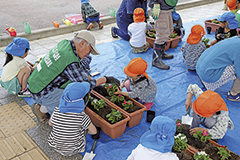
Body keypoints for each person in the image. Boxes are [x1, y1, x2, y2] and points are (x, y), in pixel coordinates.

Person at [28, 30, 119, 124]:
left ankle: (42, 108)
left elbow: (79, 71)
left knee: (82, 77)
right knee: (73, 99)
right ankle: (51, 116)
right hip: (42, 92)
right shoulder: (69, 59)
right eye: (90, 50)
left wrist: (92, 81)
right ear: (83, 43)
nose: (89, 53)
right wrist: (104, 79)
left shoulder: (65, 44)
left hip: (36, 83)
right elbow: (82, 85)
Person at [48, 82, 98, 156]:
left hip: (55, 146)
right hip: (75, 149)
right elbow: (94, 131)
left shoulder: (56, 110)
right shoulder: (82, 117)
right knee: (84, 129)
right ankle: (80, 149)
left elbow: (50, 123)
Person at [196, 36, 240, 101]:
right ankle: (234, 95)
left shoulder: (236, 39)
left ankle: (206, 83)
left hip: (200, 67)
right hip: (207, 74)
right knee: (238, 68)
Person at [149, 0, 178, 70]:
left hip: (167, 8)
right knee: (162, 34)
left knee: (169, 31)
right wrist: (155, 3)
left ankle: (161, 53)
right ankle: (155, 60)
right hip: (160, 9)